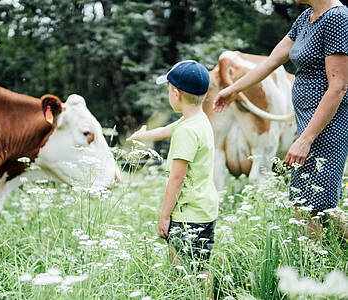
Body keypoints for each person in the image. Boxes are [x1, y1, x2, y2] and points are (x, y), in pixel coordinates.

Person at [213, 0, 348, 240]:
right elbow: (271, 61)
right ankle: (323, 261)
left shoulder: (337, 18)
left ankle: (312, 267)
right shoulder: (306, 18)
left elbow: (338, 87)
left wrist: (305, 140)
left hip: (326, 128)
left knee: (307, 208)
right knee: (314, 204)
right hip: (307, 124)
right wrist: (233, 90)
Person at [127, 60, 219, 280]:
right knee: (201, 266)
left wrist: (164, 216)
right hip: (205, 209)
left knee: (181, 270)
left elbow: (177, 178)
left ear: (176, 93)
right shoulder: (198, 121)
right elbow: (168, 129)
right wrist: (144, 135)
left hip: (187, 214)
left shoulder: (185, 132)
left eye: (168, 90)